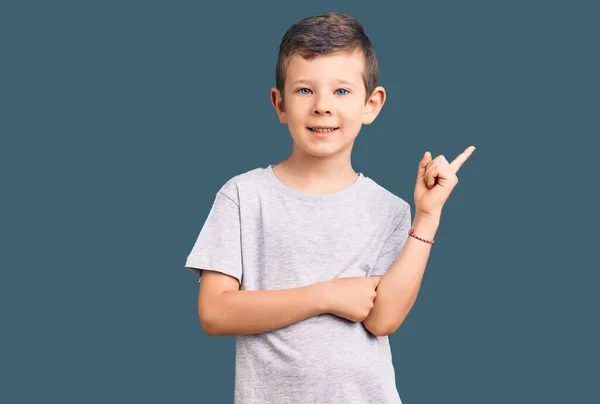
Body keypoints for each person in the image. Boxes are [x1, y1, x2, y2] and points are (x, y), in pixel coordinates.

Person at [184, 12, 475, 404]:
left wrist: (427, 215)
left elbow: (383, 319)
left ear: (371, 105)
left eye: (341, 91)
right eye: (305, 90)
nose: (322, 106)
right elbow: (215, 313)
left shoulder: (389, 209)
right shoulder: (242, 195)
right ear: (280, 103)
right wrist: (328, 295)